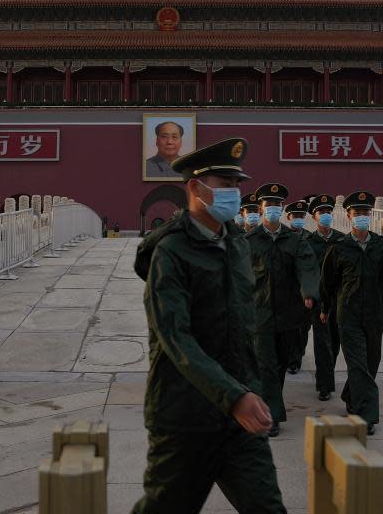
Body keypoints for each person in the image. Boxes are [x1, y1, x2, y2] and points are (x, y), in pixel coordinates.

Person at [132, 138, 287, 513]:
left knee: (268, 508)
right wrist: (234, 397)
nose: (234, 193)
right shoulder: (171, 252)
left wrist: (249, 389)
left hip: (238, 420)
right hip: (185, 416)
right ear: (195, 188)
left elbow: (241, 326)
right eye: (224, 184)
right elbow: (176, 339)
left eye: (237, 185)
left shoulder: (236, 242)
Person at [319, 190, 383, 435]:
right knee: (358, 364)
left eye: (365, 213)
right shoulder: (339, 248)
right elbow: (327, 282)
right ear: (348, 216)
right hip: (347, 315)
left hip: (374, 314)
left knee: (371, 362)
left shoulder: (381, 246)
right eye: (357, 213)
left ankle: (351, 394)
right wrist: (325, 309)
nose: (361, 217)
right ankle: (365, 415)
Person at [245, 183, 319, 437]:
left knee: (280, 364)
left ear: (282, 209)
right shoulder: (249, 240)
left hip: (289, 314)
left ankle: (267, 402)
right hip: (260, 313)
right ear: (262, 210)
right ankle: (272, 416)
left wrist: (308, 292)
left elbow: (307, 267)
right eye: (269, 207)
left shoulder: (295, 240)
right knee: (266, 364)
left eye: (277, 206)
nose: (273, 211)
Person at [304, 194, 346, 401]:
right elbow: (306, 271)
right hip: (319, 299)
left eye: (329, 212)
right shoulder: (308, 242)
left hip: (339, 299)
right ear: (314, 217)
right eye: (322, 213)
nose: (326, 216)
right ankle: (325, 384)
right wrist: (308, 294)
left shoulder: (341, 239)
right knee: (322, 341)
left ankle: (326, 374)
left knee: (335, 340)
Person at [284, 199, 311, 375]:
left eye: (302, 216)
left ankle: (298, 353)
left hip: (306, 291)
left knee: (304, 327)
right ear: (289, 217)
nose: (299, 219)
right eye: (296, 216)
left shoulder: (311, 237)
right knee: (291, 327)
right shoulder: (283, 237)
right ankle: (292, 360)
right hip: (288, 290)